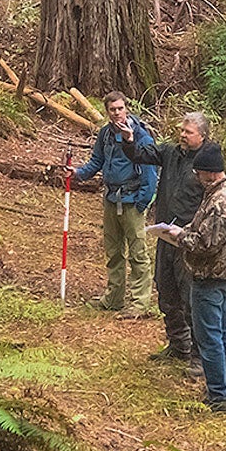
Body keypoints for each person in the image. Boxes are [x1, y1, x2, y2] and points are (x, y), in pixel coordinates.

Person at [65, 92, 159, 315]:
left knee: (138, 253)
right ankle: (114, 297)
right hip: (110, 199)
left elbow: (150, 171)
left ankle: (139, 302)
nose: (117, 113)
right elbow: (97, 160)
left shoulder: (141, 136)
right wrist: (78, 173)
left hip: (132, 200)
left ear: (126, 108)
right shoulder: (105, 134)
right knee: (113, 251)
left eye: (120, 108)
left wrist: (142, 202)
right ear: (107, 112)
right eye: (112, 110)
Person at [129, 112, 211, 364]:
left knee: (189, 297)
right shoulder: (171, 152)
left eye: (188, 132)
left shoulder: (208, 160)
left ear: (203, 136)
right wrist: (129, 139)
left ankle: (199, 355)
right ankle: (178, 345)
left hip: (189, 240)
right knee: (166, 291)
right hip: (166, 235)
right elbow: (143, 154)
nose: (183, 135)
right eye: (182, 130)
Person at [171, 142, 226, 410]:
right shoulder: (224, 192)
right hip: (219, 274)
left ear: (211, 173)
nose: (197, 178)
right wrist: (186, 229)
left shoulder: (222, 202)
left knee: (210, 337)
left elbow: (206, 244)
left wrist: (181, 237)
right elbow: (205, 228)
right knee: (222, 333)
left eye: (199, 173)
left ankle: (218, 397)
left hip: (210, 275)